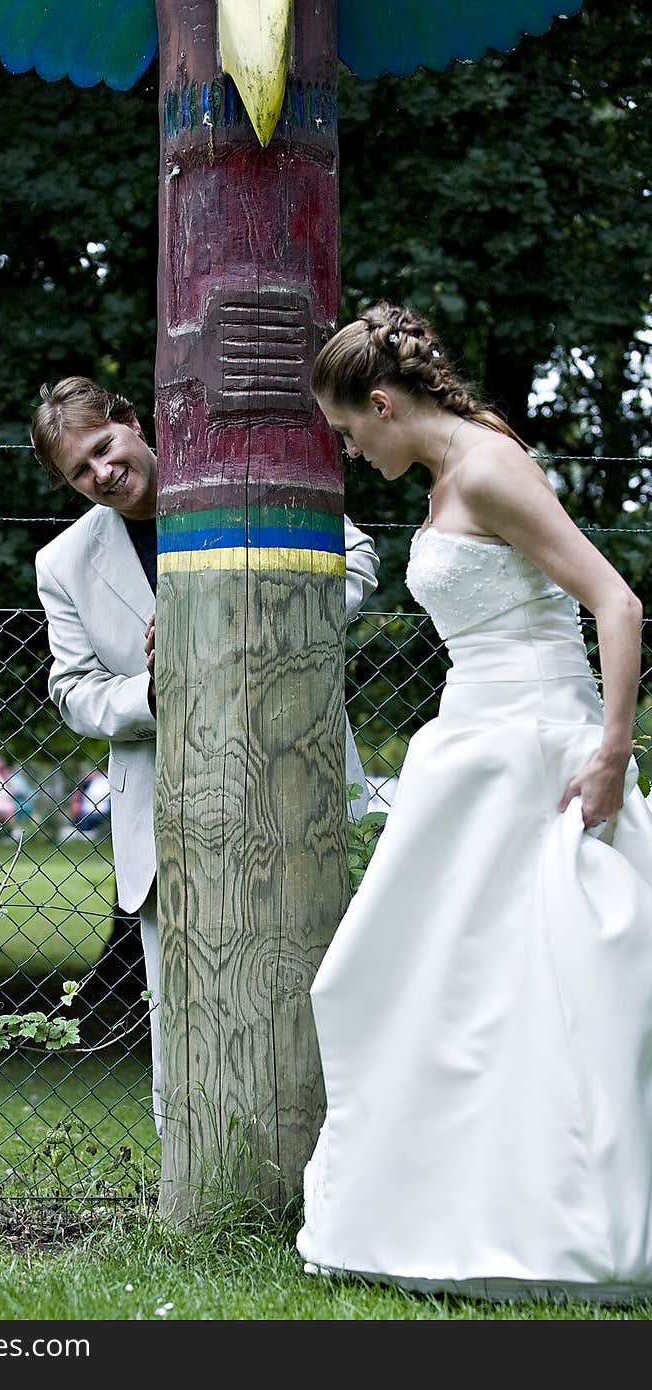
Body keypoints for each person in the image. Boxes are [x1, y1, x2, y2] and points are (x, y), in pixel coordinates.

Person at [296, 300, 652, 1303]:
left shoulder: (489, 468)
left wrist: (611, 751)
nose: (353, 453)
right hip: (470, 748)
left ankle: (555, 1224)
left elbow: (615, 603)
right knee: (433, 987)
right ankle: (436, 1208)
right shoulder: (458, 466)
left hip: (534, 751)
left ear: (382, 401)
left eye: (351, 432)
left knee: (545, 991)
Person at [31, 376, 380, 1139]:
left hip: (295, 772)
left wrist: (266, 624)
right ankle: (194, 1177)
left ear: (130, 421)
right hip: (166, 806)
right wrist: (152, 693)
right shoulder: (61, 563)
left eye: (104, 448)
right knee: (179, 1005)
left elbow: (355, 558)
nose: (102, 475)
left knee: (333, 980)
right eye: (80, 473)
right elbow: (73, 693)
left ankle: (351, 1162)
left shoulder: (235, 472)